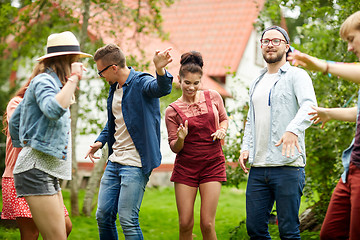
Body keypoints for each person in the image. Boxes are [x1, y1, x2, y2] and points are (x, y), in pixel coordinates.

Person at [8, 31, 91, 240]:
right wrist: (73, 79)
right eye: (75, 61)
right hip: (37, 170)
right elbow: (53, 110)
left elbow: (16, 121)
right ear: (66, 60)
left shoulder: (54, 84)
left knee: (62, 232)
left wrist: (27, 143)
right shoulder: (43, 81)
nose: (77, 66)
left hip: (47, 171)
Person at [84, 43, 173, 240]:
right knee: (103, 216)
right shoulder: (114, 89)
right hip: (115, 161)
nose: (101, 77)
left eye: (101, 72)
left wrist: (159, 69)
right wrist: (100, 141)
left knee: (127, 220)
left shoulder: (142, 82)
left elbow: (162, 88)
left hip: (136, 163)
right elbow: (114, 121)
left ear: (113, 67)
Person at [238, 26, 317, 239]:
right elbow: (250, 120)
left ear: (286, 46)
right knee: (255, 229)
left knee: (288, 231)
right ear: (261, 46)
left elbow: (310, 107)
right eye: (266, 41)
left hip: (287, 167)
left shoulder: (297, 76)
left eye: (276, 41)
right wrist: (246, 147)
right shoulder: (256, 81)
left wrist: (292, 129)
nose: (270, 44)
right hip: (258, 168)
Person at [288, 10, 360, 240]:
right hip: (352, 169)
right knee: (330, 233)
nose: (349, 48)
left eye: (351, 39)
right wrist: (329, 113)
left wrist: (323, 65)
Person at [164, 51, 228, 240]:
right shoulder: (172, 111)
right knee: (185, 224)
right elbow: (174, 147)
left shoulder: (214, 97)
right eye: (187, 83)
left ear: (201, 81)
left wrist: (222, 130)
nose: (191, 87)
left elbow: (224, 119)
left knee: (207, 224)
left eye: (196, 83)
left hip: (212, 164)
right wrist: (181, 138)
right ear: (179, 80)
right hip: (186, 168)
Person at [2, 79, 72, 239]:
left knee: (66, 226)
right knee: (31, 234)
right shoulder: (16, 103)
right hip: (18, 175)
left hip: (43, 174)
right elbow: (23, 130)